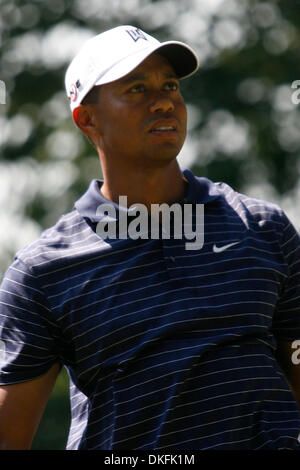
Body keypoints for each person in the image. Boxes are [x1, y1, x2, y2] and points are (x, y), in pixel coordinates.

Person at [0, 24, 300, 451]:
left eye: (171, 85)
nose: (164, 102)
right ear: (87, 118)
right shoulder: (42, 271)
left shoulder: (263, 228)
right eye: (137, 88)